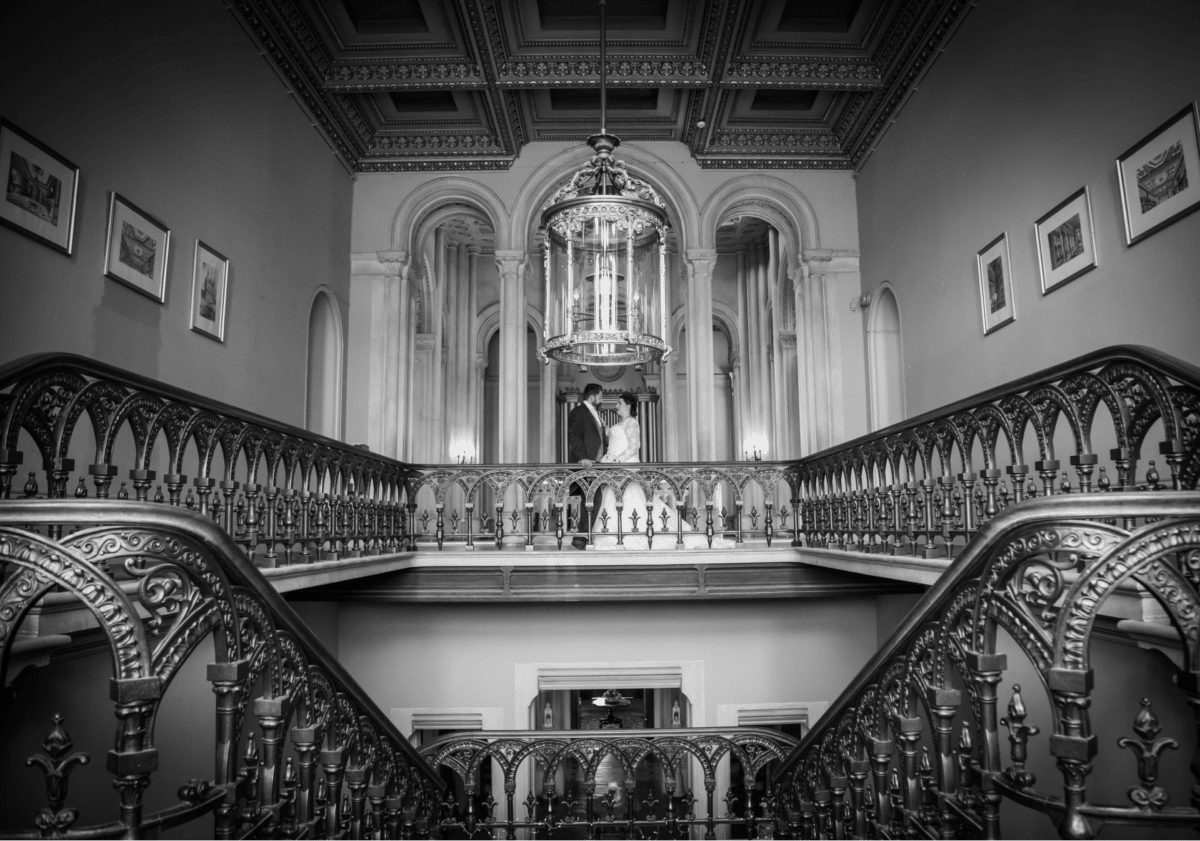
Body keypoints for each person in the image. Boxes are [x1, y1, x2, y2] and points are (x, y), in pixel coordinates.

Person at [592, 392, 733, 550]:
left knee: (633, 501)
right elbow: (615, 441)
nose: (616, 406)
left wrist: (616, 460)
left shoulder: (631, 423)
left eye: (619, 402)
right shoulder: (620, 424)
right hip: (616, 470)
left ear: (627, 405)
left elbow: (634, 446)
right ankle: (614, 536)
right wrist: (605, 431)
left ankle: (633, 535)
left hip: (626, 467)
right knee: (615, 500)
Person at [566, 383, 606, 550]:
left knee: (593, 500)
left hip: (596, 466)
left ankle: (584, 536)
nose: (602, 399)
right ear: (592, 397)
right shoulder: (578, 411)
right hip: (586, 465)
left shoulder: (595, 414)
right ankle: (581, 537)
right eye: (600, 396)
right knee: (592, 500)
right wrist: (582, 457)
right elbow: (574, 436)